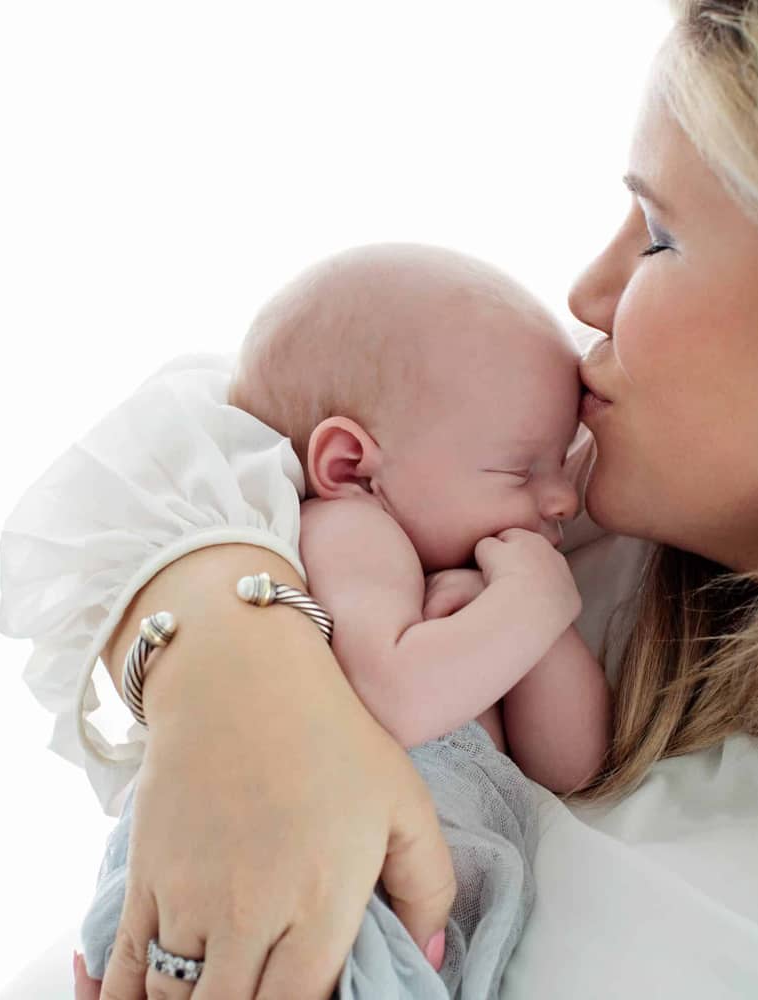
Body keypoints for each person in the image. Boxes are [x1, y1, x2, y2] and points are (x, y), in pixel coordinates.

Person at [0, 1, 758, 996]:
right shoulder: (583, 513)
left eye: (660, 237)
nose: (588, 293)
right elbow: (204, 424)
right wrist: (235, 668)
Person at [76, 243, 609, 997]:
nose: (562, 499)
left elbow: (573, 764)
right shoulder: (348, 531)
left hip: (388, 896)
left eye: (562, 464)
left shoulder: (467, 585)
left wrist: (538, 629)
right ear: (352, 467)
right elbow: (395, 699)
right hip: (300, 878)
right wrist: (533, 605)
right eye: (522, 469)